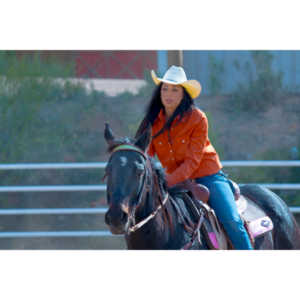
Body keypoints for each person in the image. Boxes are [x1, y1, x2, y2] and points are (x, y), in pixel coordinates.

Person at [135, 65, 253, 250]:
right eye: (165, 88)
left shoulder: (197, 118)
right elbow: (144, 155)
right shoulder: (152, 121)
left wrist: (167, 181)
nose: (169, 94)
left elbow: (193, 161)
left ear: (184, 94)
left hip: (207, 176)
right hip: (172, 179)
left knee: (232, 221)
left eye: (175, 89)